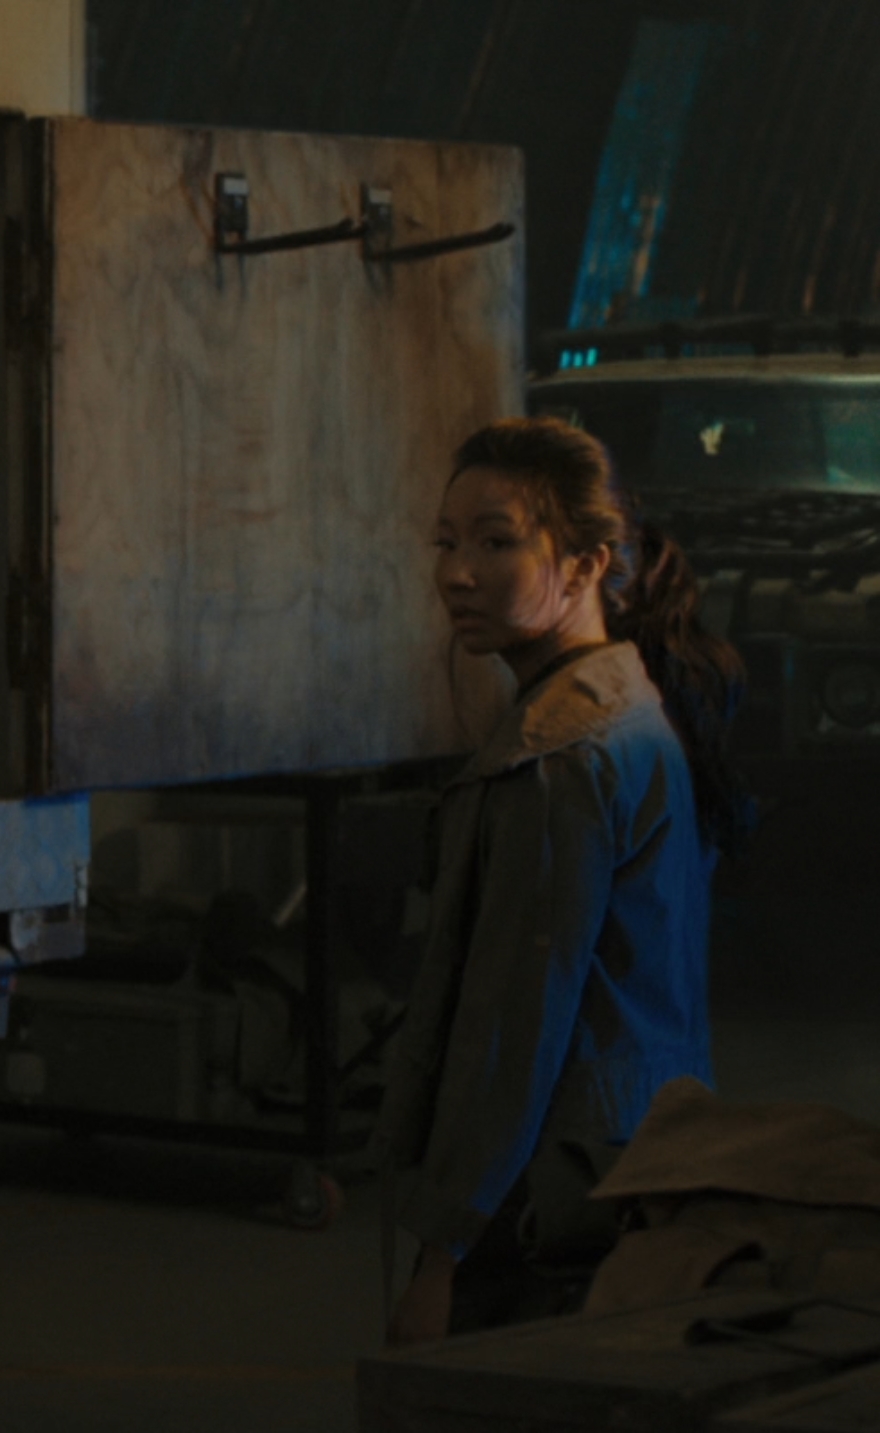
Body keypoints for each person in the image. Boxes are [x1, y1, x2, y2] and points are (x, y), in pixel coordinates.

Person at [378, 417, 744, 1344]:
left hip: (555, 1196)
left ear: (585, 565)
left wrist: (443, 1255)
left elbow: (511, 1032)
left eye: (496, 542)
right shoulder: (625, 707)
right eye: (447, 543)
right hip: (642, 1159)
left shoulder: (562, 758)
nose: (458, 574)